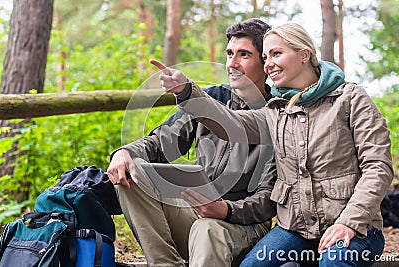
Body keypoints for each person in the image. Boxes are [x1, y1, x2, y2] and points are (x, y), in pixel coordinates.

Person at [153, 22, 393, 267]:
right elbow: (230, 122)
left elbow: (378, 167)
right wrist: (186, 91)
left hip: (355, 227)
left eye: (276, 54)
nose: (267, 63)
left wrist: (349, 222)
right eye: (266, 57)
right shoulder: (276, 110)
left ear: (304, 55)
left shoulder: (351, 99)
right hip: (295, 230)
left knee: (333, 264)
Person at [107, 18, 277, 267]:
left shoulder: (277, 116)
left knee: (208, 229)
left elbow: (269, 198)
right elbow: (160, 142)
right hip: (195, 211)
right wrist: (125, 152)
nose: (233, 63)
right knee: (133, 174)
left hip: (242, 225)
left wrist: (226, 210)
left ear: (265, 62)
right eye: (230, 54)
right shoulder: (212, 98)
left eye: (244, 55)